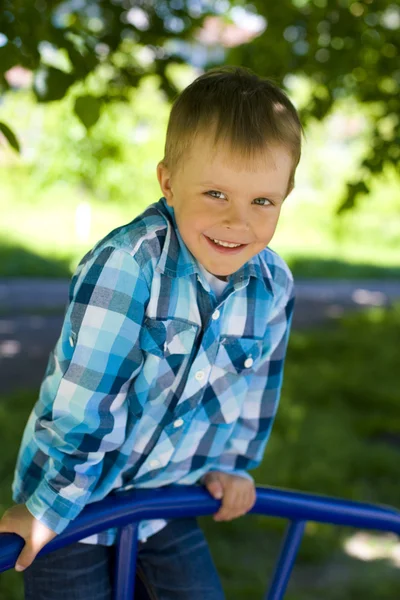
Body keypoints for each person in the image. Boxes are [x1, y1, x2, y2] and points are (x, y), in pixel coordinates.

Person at [0, 65, 303, 599]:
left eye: (262, 201)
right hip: (74, 499)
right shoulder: (129, 266)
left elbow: (259, 387)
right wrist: (48, 507)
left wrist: (234, 467)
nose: (238, 222)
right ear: (167, 182)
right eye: (216, 194)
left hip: (165, 502)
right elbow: (83, 406)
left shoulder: (272, 283)